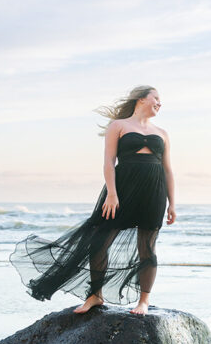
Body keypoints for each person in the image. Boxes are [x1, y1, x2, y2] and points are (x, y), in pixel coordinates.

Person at [10, 86, 176, 315]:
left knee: (147, 247)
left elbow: (168, 170)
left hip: (153, 191)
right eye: (156, 98)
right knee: (99, 241)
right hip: (122, 189)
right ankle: (95, 295)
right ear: (140, 99)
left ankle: (143, 302)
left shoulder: (163, 133)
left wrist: (172, 203)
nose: (160, 103)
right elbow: (109, 162)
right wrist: (112, 193)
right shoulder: (118, 126)